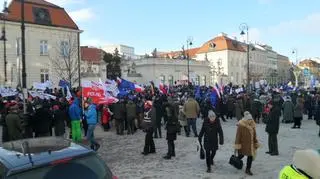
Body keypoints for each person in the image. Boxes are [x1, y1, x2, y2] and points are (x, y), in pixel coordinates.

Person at [234, 111, 260, 176]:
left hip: (250, 145)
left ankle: (248, 169)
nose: (250, 121)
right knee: (241, 155)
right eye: (249, 119)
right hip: (243, 145)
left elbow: (254, 135)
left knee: (250, 156)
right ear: (245, 119)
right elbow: (238, 136)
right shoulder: (241, 125)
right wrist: (237, 145)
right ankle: (235, 161)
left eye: (251, 119)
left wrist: (256, 142)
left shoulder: (252, 125)